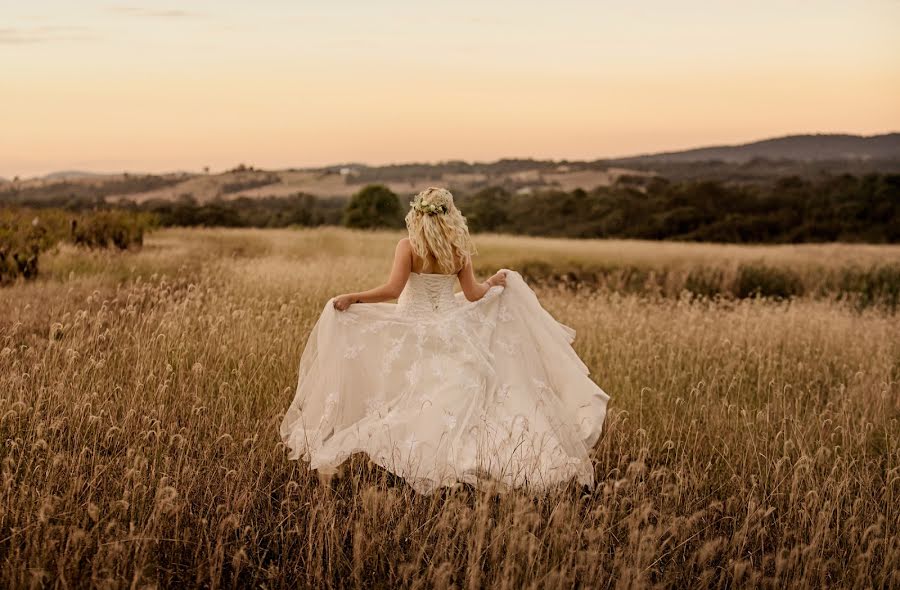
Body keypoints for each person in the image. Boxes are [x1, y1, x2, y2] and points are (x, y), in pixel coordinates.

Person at [280, 187, 609, 494]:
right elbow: (473, 293)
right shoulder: (458, 249)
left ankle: (412, 458)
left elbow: (392, 291)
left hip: (413, 327)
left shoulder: (408, 246)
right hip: (454, 329)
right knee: (446, 396)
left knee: (406, 394)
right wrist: (493, 283)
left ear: (418, 215)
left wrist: (354, 297)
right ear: (450, 215)